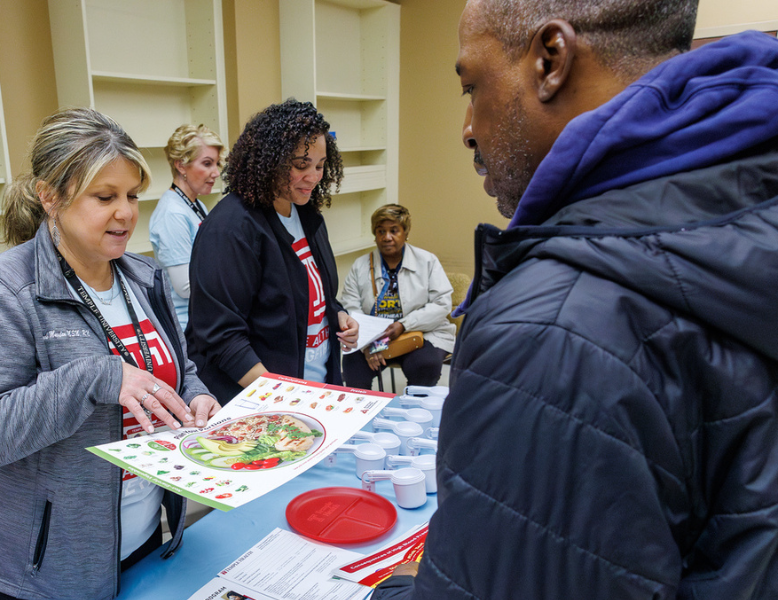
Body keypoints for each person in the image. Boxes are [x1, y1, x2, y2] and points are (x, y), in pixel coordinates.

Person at [374, 1, 778, 599]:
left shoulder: (549, 329)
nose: (467, 128)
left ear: (550, 60)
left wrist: (398, 588)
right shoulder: (743, 201)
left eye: (472, 87)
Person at [0, 108, 220, 600]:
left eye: (132, 195)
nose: (126, 213)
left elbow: (179, 368)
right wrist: (95, 379)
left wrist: (195, 396)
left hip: (138, 536)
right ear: (50, 196)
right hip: (42, 567)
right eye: (105, 197)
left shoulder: (143, 277)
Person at [187, 99, 359, 402]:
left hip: (312, 389)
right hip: (262, 399)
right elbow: (221, 337)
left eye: (320, 166)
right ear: (270, 160)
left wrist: (338, 314)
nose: (314, 176)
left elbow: (314, 293)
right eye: (301, 165)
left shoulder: (307, 215)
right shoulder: (230, 228)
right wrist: (282, 396)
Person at [340, 204, 455, 389]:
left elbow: (441, 304)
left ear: (405, 233)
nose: (387, 237)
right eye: (381, 231)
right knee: (353, 366)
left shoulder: (427, 261)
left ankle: (415, 405)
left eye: (394, 231)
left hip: (420, 332)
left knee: (424, 365)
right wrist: (367, 344)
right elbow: (351, 307)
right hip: (376, 337)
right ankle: (366, 406)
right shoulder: (360, 266)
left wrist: (404, 325)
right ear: (375, 234)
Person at [149, 123, 226, 329]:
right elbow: (184, 287)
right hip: (189, 328)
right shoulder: (172, 213)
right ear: (181, 166)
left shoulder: (195, 204)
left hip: (204, 318)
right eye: (207, 163)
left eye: (217, 164)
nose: (216, 173)